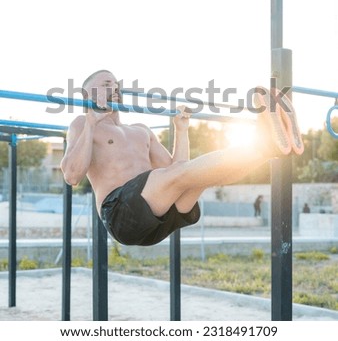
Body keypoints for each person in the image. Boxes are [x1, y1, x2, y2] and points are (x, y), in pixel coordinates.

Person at [61, 70, 304, 247]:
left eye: (116, 84)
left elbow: (177, 169)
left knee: (201, 178)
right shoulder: (82, 124)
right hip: (120, 214)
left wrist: (181, 130)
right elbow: (71, 175)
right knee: (169, 176)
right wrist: (91, 122)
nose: (114, 88)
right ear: (87, 93)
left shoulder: (141, 130)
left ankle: (271, 148)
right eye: (106, 83)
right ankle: (265, 140)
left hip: (156, 218)